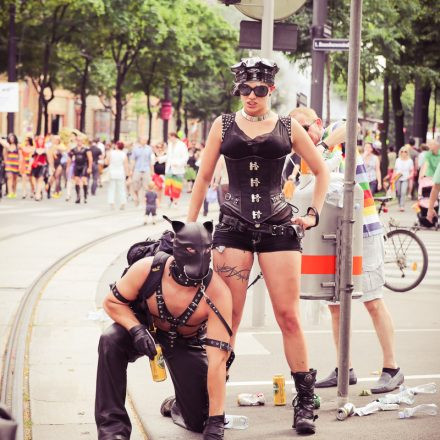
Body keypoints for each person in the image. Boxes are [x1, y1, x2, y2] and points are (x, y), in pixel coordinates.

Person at [187, 57, 329, 435]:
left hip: (278, 229)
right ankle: (210, 403)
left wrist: (313, 212)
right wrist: (189, 225)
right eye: (245, 89)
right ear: (239, 90)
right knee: (227, 319)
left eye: (259, 89)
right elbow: (202, 178)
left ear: (272, 91)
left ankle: (304, 403)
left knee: (288, 316)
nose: (251, 95)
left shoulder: (288, 125)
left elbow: (321, 169)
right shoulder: (224, 124)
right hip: (231, 228)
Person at [290, 107, 404, 394]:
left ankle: (392, 368)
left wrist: (323, 144)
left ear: (317, 123)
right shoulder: (303, 157)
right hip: (333, 235)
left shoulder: (332, 135)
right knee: (335, 305)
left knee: (372, 300)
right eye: (295, 132)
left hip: (363, 229)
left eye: (305, 128)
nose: (301, 136)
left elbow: (350, 124)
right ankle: (345, 368)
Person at [95, 220, 233, 440]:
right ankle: (113, 431)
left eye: (206, 250)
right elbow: (112, 302)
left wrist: (216, 420)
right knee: (110, 340)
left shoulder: (218, 293)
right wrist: (136, 329)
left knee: (200, 422)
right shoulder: (149, 269)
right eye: (190, 249)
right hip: (145, 329)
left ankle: (179, 405)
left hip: (186, 342)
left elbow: (217, 360)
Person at [165, 132, 189, 206]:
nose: (169, 139)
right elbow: (168, 156)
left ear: (174, 137)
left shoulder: (182, 145)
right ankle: (171, 199)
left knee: (177, 185)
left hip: (178, 168)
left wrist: (178, 163)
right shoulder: (170, 145)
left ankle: (176, 201)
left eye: (170, 137)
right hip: (170, 167)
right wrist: (159, 159)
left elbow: (185, 157)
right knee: (169, 185)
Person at [67, 134, 92, 204]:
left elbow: (90, 158)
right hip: (77, 166)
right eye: (78, 140)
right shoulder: (73, 149)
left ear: (83, 141)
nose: (79, 142)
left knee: (84, 180)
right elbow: (69, 158)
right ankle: (78, 196)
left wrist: (89, 167)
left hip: (84, 165)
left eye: (80, 140)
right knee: (77, 181)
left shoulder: (86, 149)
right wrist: (68, 167)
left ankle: (85, 196)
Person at [106, 141, 130, 210]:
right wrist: (127, 174)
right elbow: (126, 165)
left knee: (111, 188)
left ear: (116, 146)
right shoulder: (123, 154)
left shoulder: (111, 153)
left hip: (112, 172)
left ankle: (111, 203)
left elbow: (106, 162)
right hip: (120, 173)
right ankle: (123, 202)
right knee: (121, 189)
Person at [131, 137, 154, 206]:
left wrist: (152, 171)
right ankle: (137, 198)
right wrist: (131, 170)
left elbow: (151, 160)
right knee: (135, 185)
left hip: (146, 169)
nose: (144, 141)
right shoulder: (135, 148)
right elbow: (133, 160)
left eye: (145, 140)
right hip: (137, 169)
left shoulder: (149, 149)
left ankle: (143, 202)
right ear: (140, 140)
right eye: (143, 139)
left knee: (146, 187)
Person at [392, 146, 414, 212]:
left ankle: (402, 206)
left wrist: (410, 176)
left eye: (405, 151)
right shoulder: (397, 160)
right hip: (397, 178)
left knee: (403, 192)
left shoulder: (410, 161)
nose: (403, 153)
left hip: (405, 178)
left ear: (407, 153)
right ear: (400, 152)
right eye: (402, 151)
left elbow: (412, 170)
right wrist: (393, 178)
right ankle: (399, 204)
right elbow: (395, 170)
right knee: (398, 192)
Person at [0, 134, 21, 199]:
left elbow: (20, 156)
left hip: (16, 164)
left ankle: (14, 192)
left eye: (13, 138)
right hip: (9, 164)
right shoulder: (6, 146)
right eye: (10, 138)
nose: (12, 139)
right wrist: (6, 163)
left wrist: (20, 164)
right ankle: (10, 192)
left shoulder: (18, 146)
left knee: (15, 179)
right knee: (9, 177)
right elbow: (5, 155)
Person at [31, 136, 48, 201]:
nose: (40, 142)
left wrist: (51, 167)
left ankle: (38, 194)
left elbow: (48, 158)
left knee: (40, 179)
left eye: (42, 140)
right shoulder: (34, 148)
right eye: (39, 140)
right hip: (35, 166)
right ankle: (37, 190)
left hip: (43, 165)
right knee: (33, 179)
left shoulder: (46, 148)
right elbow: (31, 157)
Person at [18, 134, 34, 199]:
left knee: (31, 179)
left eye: (27, 140)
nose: (26, 141)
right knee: (24, 178)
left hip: (30, 163)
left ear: (30, 141)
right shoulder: (22, 147)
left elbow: (32, 157)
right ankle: (24, 192)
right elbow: (21, 156)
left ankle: (32, 191)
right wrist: (20, 165)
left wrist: (30, 165)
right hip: (24, 163)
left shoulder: (32, 148)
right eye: (25, 140)